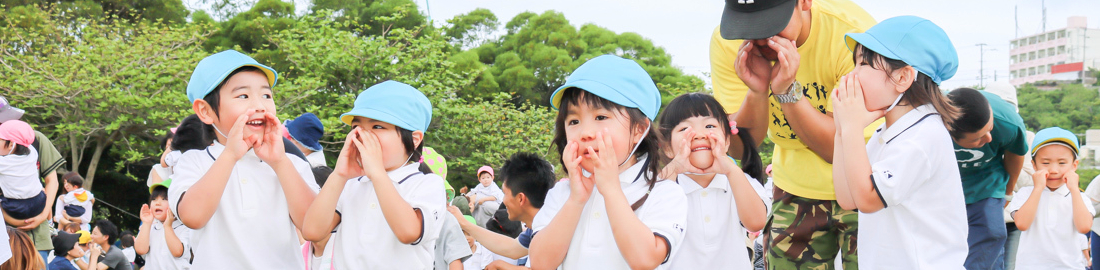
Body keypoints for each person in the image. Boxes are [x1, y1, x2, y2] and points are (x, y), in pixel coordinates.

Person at [711, 0, 877, 267]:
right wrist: (756, 92)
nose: (760, 39)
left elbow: (839, 149)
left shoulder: (855, 36)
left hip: (865, 183)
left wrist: (787, 91)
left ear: (804, 3)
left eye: (771, 24)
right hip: (793, 186)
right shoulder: (729, 42)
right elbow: (742, 149)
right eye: (749, 26)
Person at [831, 16, 968, 268]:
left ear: (903, 78)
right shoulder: (890, 131)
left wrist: (851, 127)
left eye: (863, 63)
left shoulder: (923, 137)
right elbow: (848, 198)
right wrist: (842, 129)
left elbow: (868, 199)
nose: (853, 74)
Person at [528, 55, 688, 269]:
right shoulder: (562, 194)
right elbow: (540, 263)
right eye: (574, 121)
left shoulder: (664, 194)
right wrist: (576, 200)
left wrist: (611, 190)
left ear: (639, 130)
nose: (585, 133)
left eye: (601, 117)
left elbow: (645, 259)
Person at [167, 50, 319, 269]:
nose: (259, 105)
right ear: (205, 111)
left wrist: (280, 163)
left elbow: (313, 227)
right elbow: (193, 216)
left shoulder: (291, 164)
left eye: (266, 95)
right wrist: (230, 155)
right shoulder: (193, 162)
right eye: (243, 96)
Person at [301, 80, 445, 269]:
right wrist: (339, 174)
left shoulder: (427, 184)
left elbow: (409, 232)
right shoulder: (352, 185)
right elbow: (312, 232)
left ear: (415, 139)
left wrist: (377, 173)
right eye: (356, 127)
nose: (363, 135)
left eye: (378, 127)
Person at [657, 93, 770, 269]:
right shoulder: (664, 183)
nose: (699, 134)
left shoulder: (740, 181)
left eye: (709, 125)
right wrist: (674, 167)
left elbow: (756, 222)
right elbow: (649, 212)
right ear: (667, 147)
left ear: (726, 141)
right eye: (684, 129)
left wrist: (731, 170)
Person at [947, 87, 1028, 270]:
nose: (989, 138)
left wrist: (1008, 191)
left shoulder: (1008, 122)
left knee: (992, 232)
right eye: (978, 138)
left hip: (987, 180)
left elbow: (1015, 154)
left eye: (989, 129)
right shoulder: (928, 124)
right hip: (946, 185)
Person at [445, 152, 556, 269]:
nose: (503, 200)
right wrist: (464, 223)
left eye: (505, 193)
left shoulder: (547, 230)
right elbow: (513, 248)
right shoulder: (536, 225)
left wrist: (504, 266)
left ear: (520, 198)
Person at [1008, 127, 1095, 269]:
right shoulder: (1025, 194)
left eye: (1062, 163)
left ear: (1074, 165)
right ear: (1034, 165)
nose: (1054, 170)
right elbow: (1022, 224)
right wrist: (1038, 189)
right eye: (1046, 163)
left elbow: (1084, 227)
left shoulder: (1080, 197)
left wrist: (1074, 189)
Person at [0, 95, 65, 265]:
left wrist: (43, 214)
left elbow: (52, 180)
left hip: (36, 232)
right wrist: (10, 218)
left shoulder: (33, 139)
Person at [135, 180, 191, 270]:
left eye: (164, 199)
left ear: (177, 202)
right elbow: (140, 250)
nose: (157, 203)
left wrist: (168, 226)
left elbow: (177, 252)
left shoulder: (184, 228)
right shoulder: (150, 227)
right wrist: (146, 222)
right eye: (154, 199)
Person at [0, 120, 47, 223]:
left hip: (15, 207)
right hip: (39, 203)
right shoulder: (32, 153)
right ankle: (50, 222)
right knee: (41, 188)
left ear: (11, 144)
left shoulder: (3, 163)